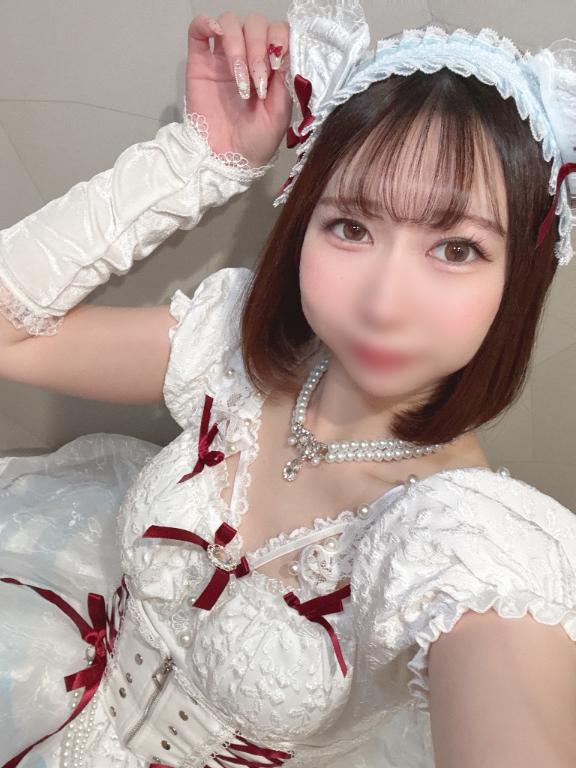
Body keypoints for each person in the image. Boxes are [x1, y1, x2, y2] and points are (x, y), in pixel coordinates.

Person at [1, 2, 576, 767]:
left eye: (456, 249)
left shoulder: (462, 541)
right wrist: (203, 157)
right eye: (351, 227)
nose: (383, 303)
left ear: (519, 278)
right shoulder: (229, 350)